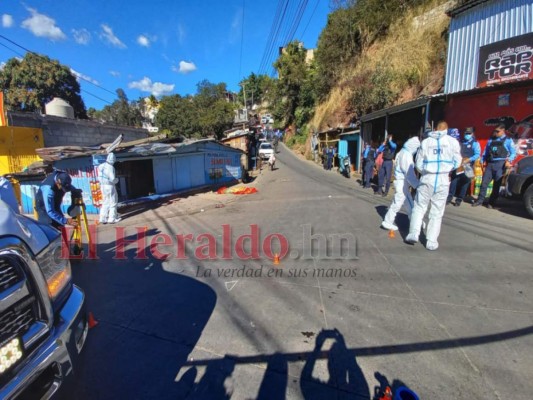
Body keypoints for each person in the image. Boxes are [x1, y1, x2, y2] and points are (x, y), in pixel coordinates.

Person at [406, 121, 462, 250]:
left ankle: (413, 233)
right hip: (443, 179)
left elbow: (418, 164)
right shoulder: (453, 142)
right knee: (437, 212)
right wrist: (447, 169)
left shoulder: (425, 142)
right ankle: (431, 241)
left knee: (419, 207)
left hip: (427, 178)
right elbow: (457, 162)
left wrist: (426, 171)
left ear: (435, 128)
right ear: (447, 129)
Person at [381, 136, 420, 231]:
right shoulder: (406, 155)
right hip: (402, 182)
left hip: (401, 181)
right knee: (397, 203)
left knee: (408, 202)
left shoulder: (401, 152)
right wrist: (418, 185)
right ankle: (388, 221)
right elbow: (409, 173)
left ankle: (415, 220)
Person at [472, 124, 516, 208]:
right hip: (490, 163)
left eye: (498, 131)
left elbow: (513, 152)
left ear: (503, 131)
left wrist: (509, 160)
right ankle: (480, 200)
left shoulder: (508, 140)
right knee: (484, 183)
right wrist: (482, 159)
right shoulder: (491, 139)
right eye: (495, 131)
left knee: (496, 185)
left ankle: (491, 202)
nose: (496, 132)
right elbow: (486, 151)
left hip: (500, 163)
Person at [447, 127, 481, 206]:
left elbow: (477, 154)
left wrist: (469, 159)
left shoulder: (475, 143)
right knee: (454, 180)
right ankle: (449, 197)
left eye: (469, 134)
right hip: (459, 164)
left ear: (472, 134)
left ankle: (459, 200)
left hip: (468, 166)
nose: (467, 135)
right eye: (466, 133)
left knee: (465, 183)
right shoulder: (460, 142)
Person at [97, 152, 121, 224]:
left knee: (105, 202)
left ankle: (102, 218)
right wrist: (117, 180)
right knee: (113, 202)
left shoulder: (100, 166)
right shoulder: (110, 167)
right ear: (113, 160)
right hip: (109, 186)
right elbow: (113, 179)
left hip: (102, 186)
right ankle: (112, 218)